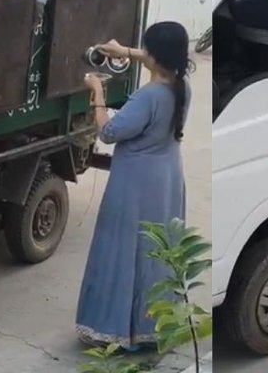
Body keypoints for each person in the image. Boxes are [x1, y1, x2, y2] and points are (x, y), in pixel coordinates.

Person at [75, 22, 191, 350]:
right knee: (157, 253)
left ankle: (113, 329)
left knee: (122, 251)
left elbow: (108, 132)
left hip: (135, 183)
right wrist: (125, 52)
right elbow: (160, 59)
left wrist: (97, 91)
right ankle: (152, 326)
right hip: (167, 178)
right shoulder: (183, 85)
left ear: (153, 54)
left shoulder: (147, 97)